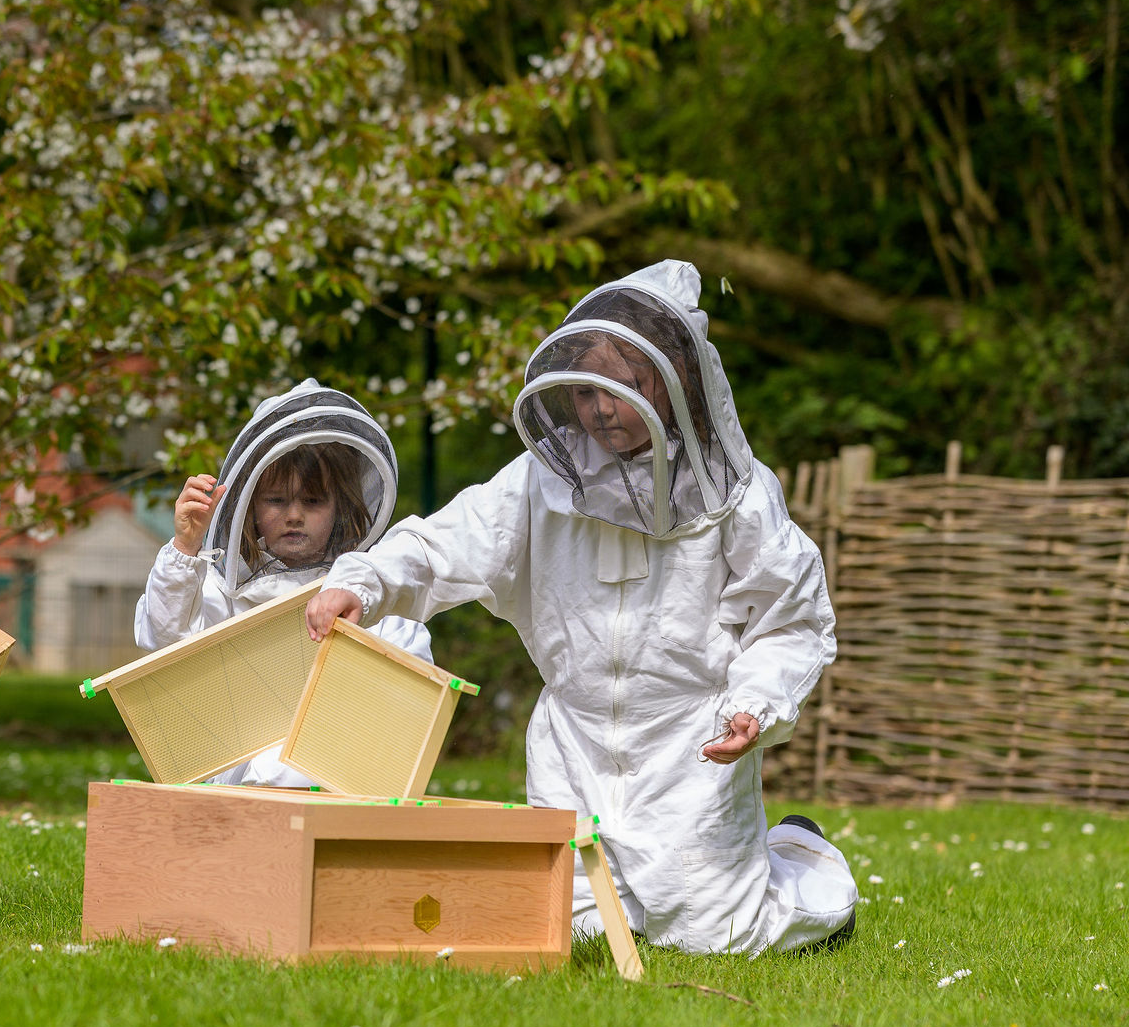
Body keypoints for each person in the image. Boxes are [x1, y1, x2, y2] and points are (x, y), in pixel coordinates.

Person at [306, 262, 858, 954]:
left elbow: (791, 620)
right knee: (572, 930)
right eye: (590, 389)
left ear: (676, 379)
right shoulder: (542, 480)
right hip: (574, 741)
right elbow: (446, 542)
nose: (602, 409)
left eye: (625, 387)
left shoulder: (738, 495)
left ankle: (804, 852)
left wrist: (754, 705)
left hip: (692, 745)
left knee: (720, 936)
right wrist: (365, 582)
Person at [135, 379, 433, 786]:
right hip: (240, 797)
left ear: (340, 506)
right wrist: (186, 547)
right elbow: (165, 642)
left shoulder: (371, 595)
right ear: (251, 505)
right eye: (277, 500)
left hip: (344, 789)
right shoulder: (223, 592)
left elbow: (407, 693)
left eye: (312, 501)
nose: (294, 515)